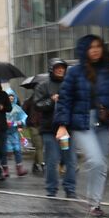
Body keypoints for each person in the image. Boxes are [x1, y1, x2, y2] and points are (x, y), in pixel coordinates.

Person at [56, 34, 109, 218]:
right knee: (96, 161)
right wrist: (62, 125)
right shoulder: (74, 72)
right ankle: (93, 203)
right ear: (84, 50)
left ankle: (94, 206)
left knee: (102, 164)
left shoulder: (108, 71)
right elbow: (65, 99)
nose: (95, 50)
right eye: (91, 47)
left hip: (104, 122)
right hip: (83, 123)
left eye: (98, 46)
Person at [32, 59, 74, 198]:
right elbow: (37, 104)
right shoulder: (43, 85)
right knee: (52, 159)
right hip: (50, 129)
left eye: (63, 68)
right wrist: (51, 100)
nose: (61, 70)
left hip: (68, 128)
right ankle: (51, 189)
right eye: (57, 68)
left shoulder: (70, 84)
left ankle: (70, 188)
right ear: (52, 69)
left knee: (70, 159)